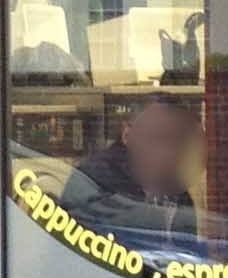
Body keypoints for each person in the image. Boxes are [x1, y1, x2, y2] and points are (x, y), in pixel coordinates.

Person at [59, 93, 202, 253]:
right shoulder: (96, 182)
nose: (169, 152)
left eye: (180, 141)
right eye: (158, 138)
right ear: (127, 134)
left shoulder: (174, 188)